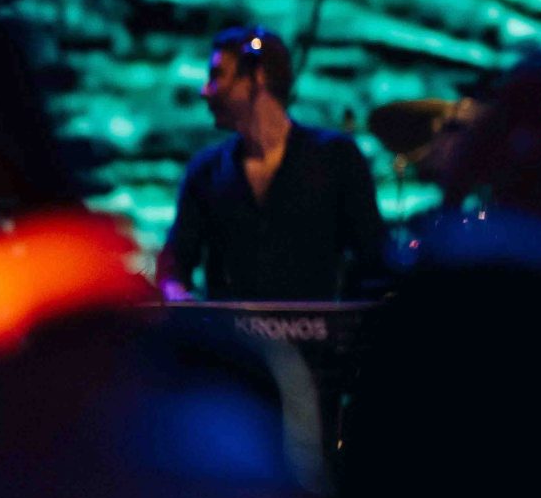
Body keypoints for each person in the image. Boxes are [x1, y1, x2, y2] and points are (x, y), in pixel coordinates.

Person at [157, 25, 392, 301]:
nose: (205, 91)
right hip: (231, 330)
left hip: (315, 329)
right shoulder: (205, 171)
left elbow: (373, 256)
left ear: (257, 76)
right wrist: (178, 297)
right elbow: (174, 267)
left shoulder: (336, 157)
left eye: (217, 75)